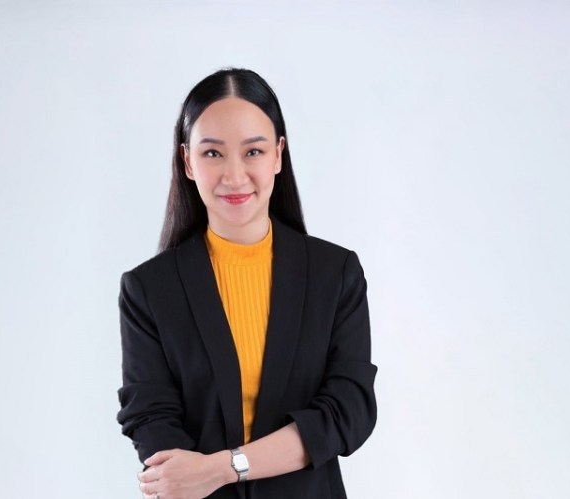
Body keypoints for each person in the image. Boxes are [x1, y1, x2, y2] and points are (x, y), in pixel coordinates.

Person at [117, 68, 377, 499]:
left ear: (278, 155)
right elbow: (150, 415)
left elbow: (347, 411)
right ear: (187, 161)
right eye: (213, 153)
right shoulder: (148, 289)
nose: (234, 176)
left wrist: (224, 468)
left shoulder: (335, 274)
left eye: (253, 151)